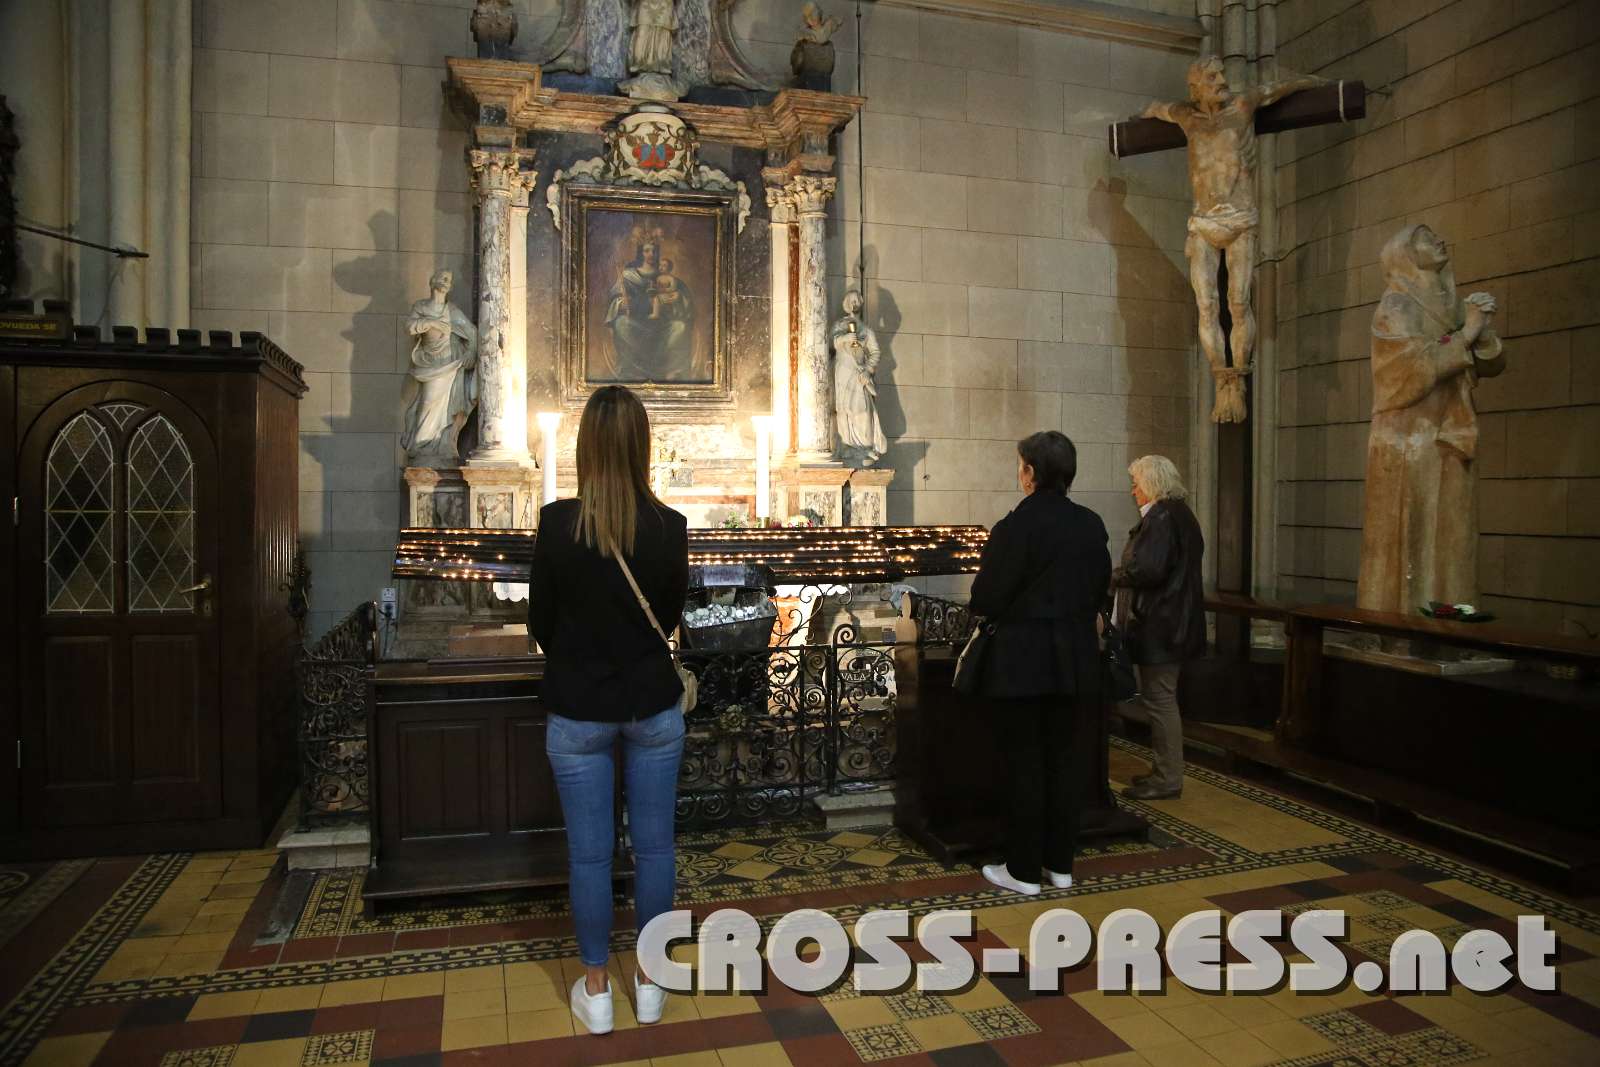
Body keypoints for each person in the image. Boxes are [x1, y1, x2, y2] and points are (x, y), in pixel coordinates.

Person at [528, 385, 689, 1035]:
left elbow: (539, 623)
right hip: (651, 704)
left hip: (577, 708)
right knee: (655, 850)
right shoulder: (669, 527)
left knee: (590, 857)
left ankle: (596, 991)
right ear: (643, 445)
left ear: (585, 447)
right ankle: (649, 982)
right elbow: (668, 619)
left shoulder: (557, 525)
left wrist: (578, 650)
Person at [1138, 58, 1326, 422]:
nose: (1222, 80)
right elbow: (1158, 109)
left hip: (1239, 220)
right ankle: (1220, 378)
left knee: (1238, 303)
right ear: (1195, 88)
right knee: (1206, 305)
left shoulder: (1241, 107)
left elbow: (1276, 89)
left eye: (1222, 74)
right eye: (1213, 76)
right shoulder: (1187, 117)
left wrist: (1313, 81)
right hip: (1203, 223)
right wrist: (1141, 114)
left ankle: (1238, 378)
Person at [968, 431, 1111, 896]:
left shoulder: (1015, 526)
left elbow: (985, 597)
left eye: (1020, 465)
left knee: (1024, 764)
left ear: (1030, 472)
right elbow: (1100, 590)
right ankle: (1060, 864)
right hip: (1076, 660)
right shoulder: (1090, 524)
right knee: (1065, 762)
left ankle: (1024, 871)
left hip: (1023, 662)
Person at [1357, 224, 1501, 615]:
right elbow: (1404, 373)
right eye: (1424, 237)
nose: (1439, 240)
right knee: (1411, 536)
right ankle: (1400, 627)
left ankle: (1449, 624)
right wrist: (1467, 334)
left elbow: (1491, 364)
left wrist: (1483, 332)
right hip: (1407, 438)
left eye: (1436, 235)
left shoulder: (1454, 306)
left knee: (1452, 538)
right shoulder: (1396, 306)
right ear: (1404, 254)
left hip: (1450, 434)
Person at [1112, 455, 1205, 801]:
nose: (1133, 490)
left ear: (1152, 483)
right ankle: (1163, 771)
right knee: (1159, 699)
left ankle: (1167, 779)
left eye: (1136, 483)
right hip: (1170, 622)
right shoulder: (1179, 514)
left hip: (1161, 624)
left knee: (1161, 701)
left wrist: (1113, 577)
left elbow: (1148, 569)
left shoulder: (1163, 516)